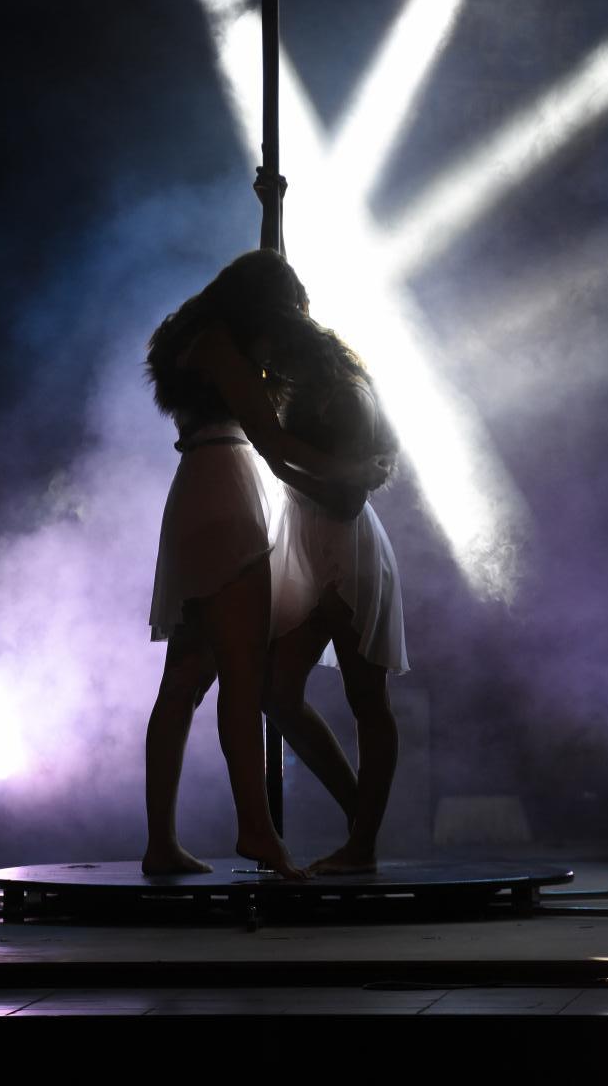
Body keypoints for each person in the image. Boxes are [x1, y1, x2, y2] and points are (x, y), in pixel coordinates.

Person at [142, 250, 383, 879]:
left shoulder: (198, 337)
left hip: (203, 485)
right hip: (227, 493)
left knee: (186, 675)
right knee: (242, 677)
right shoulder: (221, 345)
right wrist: (352, 469)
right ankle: (256, 829)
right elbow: (270, 442)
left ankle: (162, 843)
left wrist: (271, 208)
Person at [264, 319, 409, 874]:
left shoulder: (347, 396)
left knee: (367, 701)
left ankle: (363, 842)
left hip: (347, 554)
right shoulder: (308, 393)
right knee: (277, 694)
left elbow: (347, 501)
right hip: (310, 547)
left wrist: (282, 464)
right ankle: (359, 816)